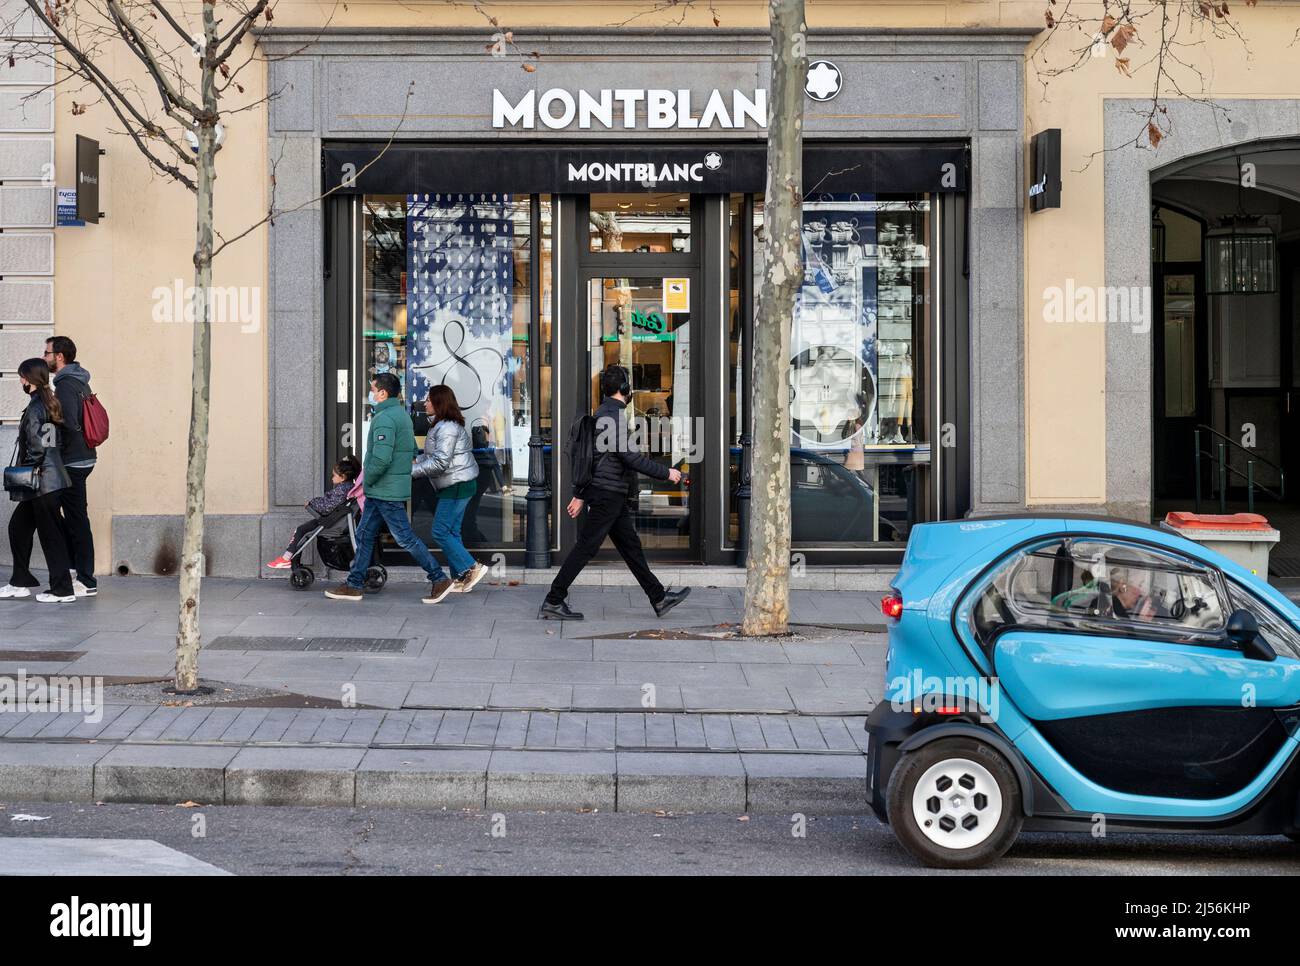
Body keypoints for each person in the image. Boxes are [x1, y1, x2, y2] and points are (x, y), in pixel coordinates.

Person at [538, 363, 691, 621]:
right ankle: (554, 599)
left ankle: (658, 598)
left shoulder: (607, 413)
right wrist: (668, 473)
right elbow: (630, 458)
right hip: (607, 494)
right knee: (586, 548)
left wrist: (580, 494)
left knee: (631, 548)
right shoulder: (611, 416)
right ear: (625, 388)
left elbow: (598, 459)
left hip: (611, 493)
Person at [325, 372, 452, 603]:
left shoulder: (384, 418)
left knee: (404, 537)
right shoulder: (401, 416)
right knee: (364, 534)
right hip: (381, 490)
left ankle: (439, 578)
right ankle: (354, 584)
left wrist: (366, 480)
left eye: (373, 390)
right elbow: (412, 451)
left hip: (384, 489)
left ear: (383, 393)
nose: (371, 394)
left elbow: (381, 459)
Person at [1, 358, 74, 603]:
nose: (20, 381)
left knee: (51, 536)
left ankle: (62, 589)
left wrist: (28, 474)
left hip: (42, 483)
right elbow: (55, 443)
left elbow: (37, 449)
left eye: (22, 376)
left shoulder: (35, 408)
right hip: (50, 480)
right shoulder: (48, 402)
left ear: (30, 379)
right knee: (18, 528)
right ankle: (20, 581)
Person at [412, 385, 488, 594]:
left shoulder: (446, 427)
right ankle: (461, 577)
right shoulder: (441, 425)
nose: (424, 404)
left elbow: (440, 463)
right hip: (456, 483)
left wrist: (412, 471)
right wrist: (417, 460)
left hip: (456, 484)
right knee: (452, 531)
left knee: (440, 530)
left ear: (439, 403)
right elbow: (433, 456)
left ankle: (471, 567)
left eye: (428, 400)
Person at [44, 336, 97, 597]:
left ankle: (86, 579)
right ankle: (78, 570)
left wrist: (54, 449)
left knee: (76, 518)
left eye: (48, 353)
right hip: (84, 456)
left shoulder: (65, 384)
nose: (45, 357)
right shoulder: (80, 380)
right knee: (71, 515)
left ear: (60, 356)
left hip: (73, 460)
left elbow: (67, 422)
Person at [265, 455, 361, 570]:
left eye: (334, 475)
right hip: (333, 520)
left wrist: (311, 504)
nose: (332, 478)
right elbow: (329, 503)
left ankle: (286, 559)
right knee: (302, 530)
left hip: (331, 523)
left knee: (301, 530)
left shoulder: (341, 490)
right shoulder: (348, 488)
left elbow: (327, 506)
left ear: (343, 477)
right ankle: (288, 558)